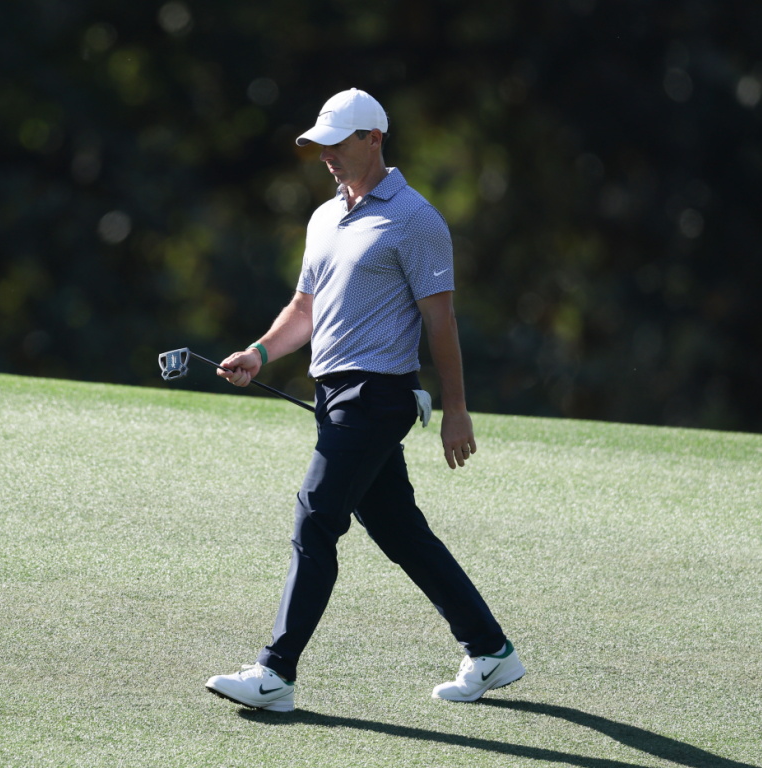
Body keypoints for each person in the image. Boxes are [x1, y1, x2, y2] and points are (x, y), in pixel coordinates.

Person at [205, 88, 524, 712]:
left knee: (316, 517)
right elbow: (305, 308)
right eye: (319, 145)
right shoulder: (325, 218)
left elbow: (441, 322)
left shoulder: (415, 218)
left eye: (336, 143)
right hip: (334, 394)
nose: (325, 154)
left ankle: (275, 673)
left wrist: (456, 409)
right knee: (401, 532)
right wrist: (260, 353)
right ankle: (491, 650)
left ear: (373, 139)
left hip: (377, 395)